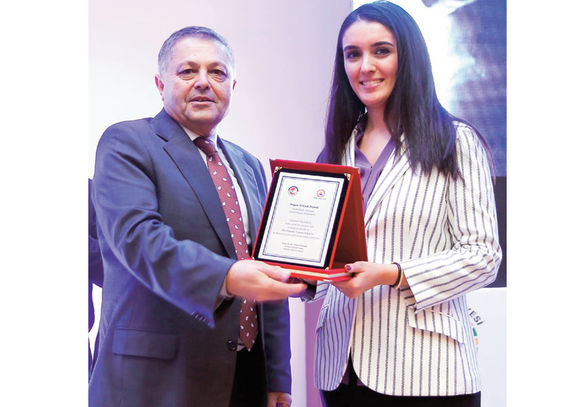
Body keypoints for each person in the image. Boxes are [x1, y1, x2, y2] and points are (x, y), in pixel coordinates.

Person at [89, 26, 306, 407]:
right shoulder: (126, 143)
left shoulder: (249, 165)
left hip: (246, 376)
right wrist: (228, 277)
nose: (204, 82)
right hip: (158, 382)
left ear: (232, 86)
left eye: (217, 72)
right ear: (160, 84)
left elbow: (267, 266)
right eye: (188, 71)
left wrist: (277, 377)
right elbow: (140, 241)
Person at [311, 2, 502, 406]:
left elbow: (483, 257)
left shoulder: (456, 141)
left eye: (381, 50)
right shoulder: (334, 152)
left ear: (409, 56)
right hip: (341, 370)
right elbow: (326, 256)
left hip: (426, 371)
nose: (365, 66)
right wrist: (301, 272)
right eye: (353, 54)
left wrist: (393, 274)